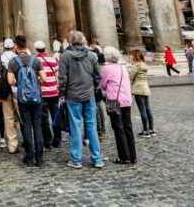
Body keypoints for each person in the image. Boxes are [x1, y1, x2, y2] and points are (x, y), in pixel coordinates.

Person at [58, 31, 103, 169]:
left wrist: (62, 94)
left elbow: (63, 78)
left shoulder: (65, 56)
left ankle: (76, 160)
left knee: (75, 127)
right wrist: (93, 88)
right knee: (92, 127)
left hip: (73, 95)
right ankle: (97, 159)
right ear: (83, 40)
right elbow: (97, 76)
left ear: (71, 41)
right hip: (89, 95)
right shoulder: (91, 55)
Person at [7, 34, 47, 167]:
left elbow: (10, 81)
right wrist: (35, 82)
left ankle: (29, 157)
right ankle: (39, 158)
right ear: (26, 46)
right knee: (38, 126)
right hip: (36, 97)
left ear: (16, 47)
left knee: (26, 126)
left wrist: (20, 84)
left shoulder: (13, 62)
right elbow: (45, 78)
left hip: (23, 98)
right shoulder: (35, 60)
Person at [100, 47, 136, 165]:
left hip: (115, 102)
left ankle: (123, 157)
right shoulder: (123, 67)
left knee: (118, 129)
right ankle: (133, 157)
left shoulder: (106, 69)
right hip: (127, 100)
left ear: (108, 57)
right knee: (128, 128)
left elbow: (103, 85)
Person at [35, 40, 61, 149]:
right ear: (45, 48)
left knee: (44, 118)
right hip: (54, 92)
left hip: (42, 92)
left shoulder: (36, 61)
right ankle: (57, 140)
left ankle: (48, 141)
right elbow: (57, 77)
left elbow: (37, 77)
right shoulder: (52, 59)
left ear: (36, 49)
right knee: (55, 116)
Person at [0, 38, 20, 155]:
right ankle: (27, 141)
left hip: (5, 90)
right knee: (22, 115)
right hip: (17, 89)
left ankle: (12, 145)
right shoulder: (17, 57)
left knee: (8, 117)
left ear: (4, 47)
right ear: (13, 47)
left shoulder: (0, 58)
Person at [128, 49, 154, 136]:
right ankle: (151, 129)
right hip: (145, 88)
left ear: (135, 56)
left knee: (142, 110)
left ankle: (145, 131)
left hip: (138, 89)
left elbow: (130, 78)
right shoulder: (144, 65)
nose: (130, 56)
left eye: (131, 55)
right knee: (147, 109)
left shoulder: (136, 65)